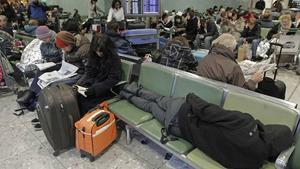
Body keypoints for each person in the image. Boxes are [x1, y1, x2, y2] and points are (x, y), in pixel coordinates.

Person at [119, 83, 293, 169]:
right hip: (180, 131)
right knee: (150, 107)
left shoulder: (246, 123)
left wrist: (191, 96)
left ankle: (128, 88)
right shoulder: (251, 163)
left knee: (157, 98)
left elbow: (208, 111)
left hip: (184, 112)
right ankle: (126, 96)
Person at [196, 33, 263, 91]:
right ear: (229, 48)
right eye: (233, 49)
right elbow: (242, 92)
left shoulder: (205, 58)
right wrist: (253, 81)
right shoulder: (233, 67)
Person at [76, 33, 122, 115]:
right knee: (79, 97)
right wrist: (84, 84)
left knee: (88, 103)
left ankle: (89, 124)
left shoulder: (113, 58)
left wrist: (95, 89)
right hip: (95, 85)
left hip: (107, 89)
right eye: (96, 50)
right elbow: (90, 72)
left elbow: (113, 79)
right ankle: (82, 123)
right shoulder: (93, 55)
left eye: (101, 51)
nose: (99, 53)